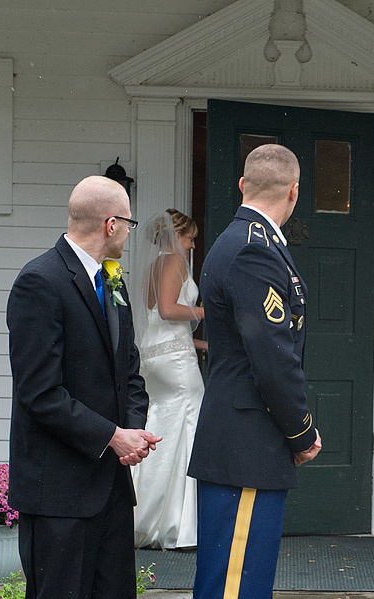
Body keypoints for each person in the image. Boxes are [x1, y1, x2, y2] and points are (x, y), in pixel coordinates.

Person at [6, 175, 161, 599]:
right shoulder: (40, 281)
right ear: (111, 224)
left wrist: (131, 432)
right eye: (128, 223)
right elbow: (39, 393)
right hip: (58, 491)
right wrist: (112, 436)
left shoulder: (114, 283)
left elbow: (130, 371)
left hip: (109, 486)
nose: (129, 232)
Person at [189, 143, 322, 599]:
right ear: (294, 192)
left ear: (243, 185)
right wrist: (301, 432)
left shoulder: (243, 241)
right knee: (235, 586)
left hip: (243, 441)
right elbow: (272, 358)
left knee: (239, 579)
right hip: (247, 441)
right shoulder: (254, 250)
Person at [132, 209, 207, 549]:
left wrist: (205, 343)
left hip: (156, 356)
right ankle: (180, 526)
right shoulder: (175, 263)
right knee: (188, 428)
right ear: (176, 237)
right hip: (175, 363)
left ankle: (143, 518)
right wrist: (211, 311)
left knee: (163, 427)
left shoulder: (152, 267)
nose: (192, 245)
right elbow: (167, 310)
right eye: (189, 237)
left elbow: (162, 326)